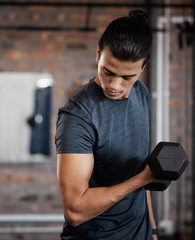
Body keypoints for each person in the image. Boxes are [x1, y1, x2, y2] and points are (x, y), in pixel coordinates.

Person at [55, 10, 158, 240]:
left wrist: (152, 231)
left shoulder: (141, 94)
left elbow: (139, 169)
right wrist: (143, 179)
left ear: (142, 69)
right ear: (98, 54)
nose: (115, 85)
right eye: (107, 72)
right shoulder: (78, 116)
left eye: (127, 77)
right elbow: (75, 211)